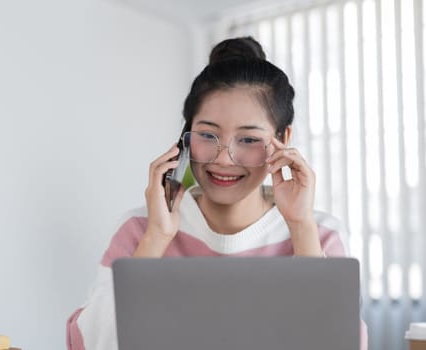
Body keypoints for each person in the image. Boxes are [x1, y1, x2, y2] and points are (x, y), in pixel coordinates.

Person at [66, 36, 368, 350]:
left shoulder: (320, 233)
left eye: (249, 139)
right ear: (186, 137)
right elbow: (91, 344)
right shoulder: (140, 228)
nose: (223, 158)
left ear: (283, 139)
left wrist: (301, 228)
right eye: (208, 134)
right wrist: (156, 237)